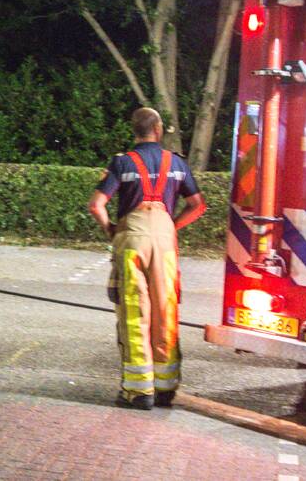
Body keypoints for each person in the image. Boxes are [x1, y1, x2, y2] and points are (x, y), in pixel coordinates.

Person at [88, 108, 206, 410]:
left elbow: (97, 205)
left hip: (132, 240)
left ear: (135, 130)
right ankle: (166, 388)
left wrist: (111, 229)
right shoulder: (177, 163)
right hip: (164, 243)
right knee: (165, 310)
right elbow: (197, 205)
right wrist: (171, 226)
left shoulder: (122, 162)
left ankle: (139, 391)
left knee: (134, 311)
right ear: (159, 129)